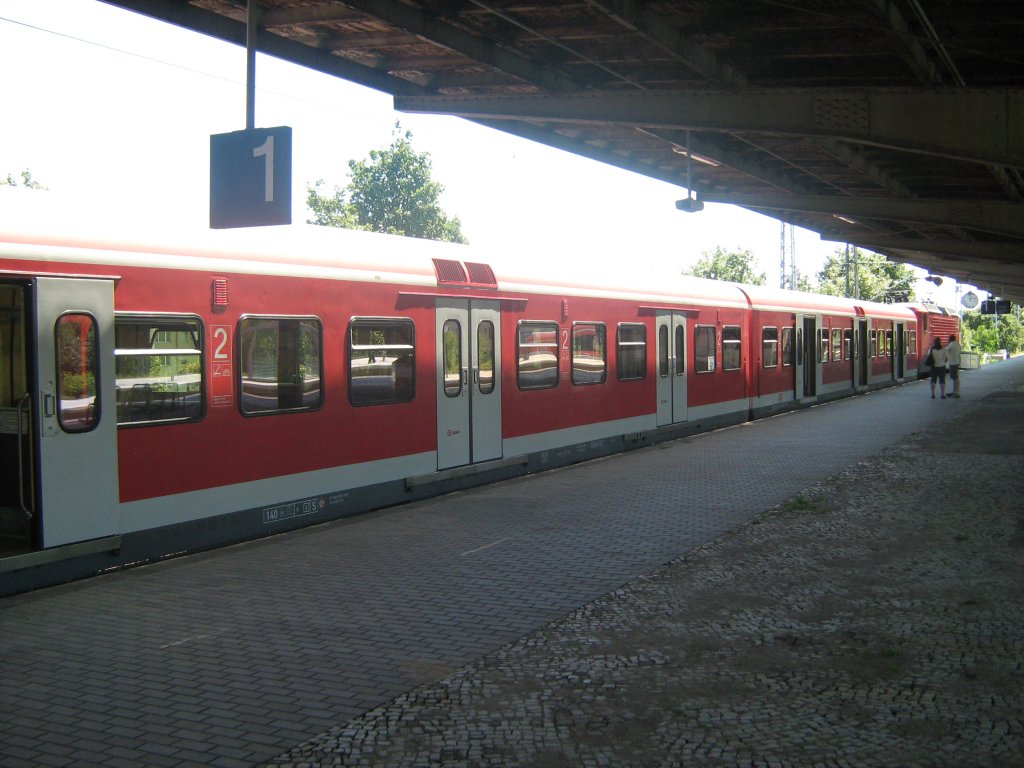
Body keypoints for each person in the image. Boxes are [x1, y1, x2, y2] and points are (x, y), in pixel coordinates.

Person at [946, 333, 962, 398]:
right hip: (957, 362)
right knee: (955, 378)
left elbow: (945, 350)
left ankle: (956, 393)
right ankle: (954, 392)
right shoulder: (958, 344)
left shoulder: (951, 345)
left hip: (953, 363)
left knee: (955, 378)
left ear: (950, 339)